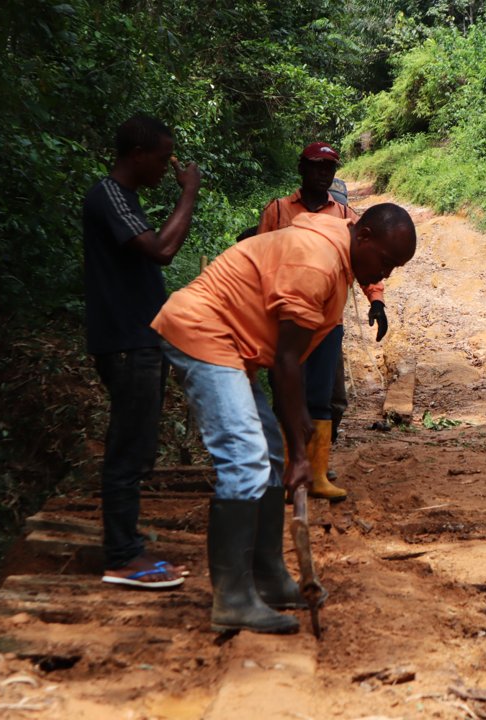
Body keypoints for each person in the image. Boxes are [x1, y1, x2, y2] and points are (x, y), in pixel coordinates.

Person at [151, 203, 416, 634]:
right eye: (386, 261)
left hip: (234, 348)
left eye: (395, 267)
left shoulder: (338, 253)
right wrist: (301, 451)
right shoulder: (317, 262)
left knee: (268, 451)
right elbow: (287, 364)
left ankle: (269, 576)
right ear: (363, 235)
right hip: (205, 333)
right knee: (246, 459)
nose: (385, 274)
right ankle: (233, 598)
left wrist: (291, 448)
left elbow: (287, 362)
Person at [83, 114, 200, 590]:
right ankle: (123, 558)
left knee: (137, 449)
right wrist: (188, 191)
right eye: (161, 157)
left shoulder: (123, 197)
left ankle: (128, 547)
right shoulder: (108, 195)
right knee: (128, 453)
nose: (167, 166)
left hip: (140, 340)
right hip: (127, 342)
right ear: (137, 156)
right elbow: (162, 250)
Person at [256, 141, 388, 501]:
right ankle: (287, 467)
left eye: (328, 168)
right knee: (287, 389)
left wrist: (376, 299)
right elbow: (260, 256)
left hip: (327, 321)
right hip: (284, 320)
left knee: (328, 397)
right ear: (302, 168)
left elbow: (364, 258)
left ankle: (316, 468)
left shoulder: (345, 215)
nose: (322, 174)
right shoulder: (280, 211)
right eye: (315, 166)